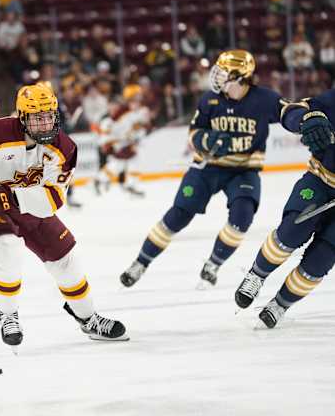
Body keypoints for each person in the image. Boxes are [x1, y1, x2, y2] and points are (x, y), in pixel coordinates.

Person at [0, 82, 129, 348]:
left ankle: (88, 318)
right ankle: (8, 314)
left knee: (66, 259)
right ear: (22, 117)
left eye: (49, 116)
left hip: (29, 203)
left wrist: (12, 197)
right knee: (8, 247)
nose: (45, 124)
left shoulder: (64, 147)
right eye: (37, 119)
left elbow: (53, 197)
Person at [120, 50, 286, 288]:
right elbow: (194, 133)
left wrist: (309, 119)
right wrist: (210, 141)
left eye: (223, 73)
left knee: (242, 217)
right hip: (207, 168)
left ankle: (213, 264)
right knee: (178, 215)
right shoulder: (209, 99)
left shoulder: (265, 99)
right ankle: (141, 262)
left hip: (243, 171)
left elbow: (290, 114)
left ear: (240, 77)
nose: (216, 76)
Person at [234, 90, 335, 328]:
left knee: (321, 260)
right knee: (292, 231)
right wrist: (308, 119)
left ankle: (280, 304)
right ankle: (257, 275)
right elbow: (290, 110)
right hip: (321, 181)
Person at [94, 84, 151, 197]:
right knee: (120, 163)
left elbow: (142, 127)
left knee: (123, 163)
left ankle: (103, 180)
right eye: (135, 99)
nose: (137, 102)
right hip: (118, 144)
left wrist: (139, 132)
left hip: (125, 143)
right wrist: (113, 141)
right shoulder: (122, 113)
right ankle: (102, 181)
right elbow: (113, 130)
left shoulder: (137, 112)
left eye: (138, 99)